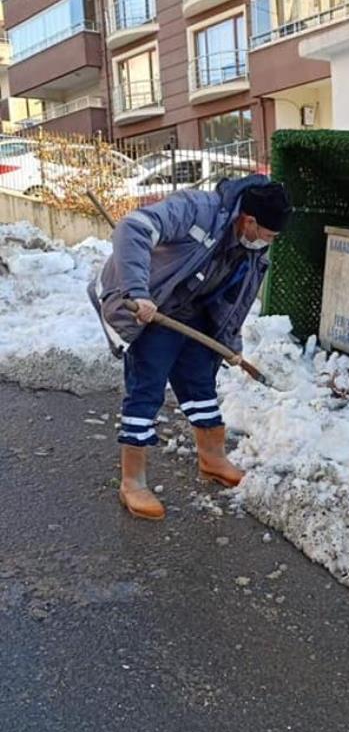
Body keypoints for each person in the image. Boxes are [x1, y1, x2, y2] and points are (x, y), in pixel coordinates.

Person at [88, 174, 292, 521]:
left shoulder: (253, 250)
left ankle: (212, 460)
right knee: (147, 388)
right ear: (250, 220)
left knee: (200, 382)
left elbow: (235, 302)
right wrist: (138, 292)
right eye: (269, 234)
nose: (270, 242)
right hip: (154, 307)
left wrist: (229, 344)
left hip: (193, 311)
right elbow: (132, 228)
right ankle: (132, 481)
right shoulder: (198, 210)